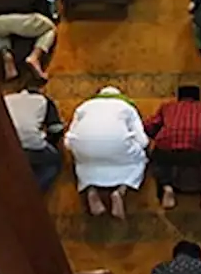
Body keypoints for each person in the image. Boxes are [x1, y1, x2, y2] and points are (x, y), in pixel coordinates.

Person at [64, 87, 149, 219]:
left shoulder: (83, 107)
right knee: (139, 161)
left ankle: (91, 191)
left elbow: (69, 141)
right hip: (119, 149)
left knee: (82, 161)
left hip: (87, 153)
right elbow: (143, 142)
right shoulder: (127, 107)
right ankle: (120, 191)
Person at [144, 86, 201, 212]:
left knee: (157, 155)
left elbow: (150, 127)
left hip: (169, 149)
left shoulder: (166, 107)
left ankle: (166, 187)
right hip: (200, 149)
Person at [4, 78, 66, 192]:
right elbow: (56, 130)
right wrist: (48, 141)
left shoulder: (7, 99)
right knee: (54, 163)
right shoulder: (44, 100)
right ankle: (33, 192)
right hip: (32, 147)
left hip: (5, 146)